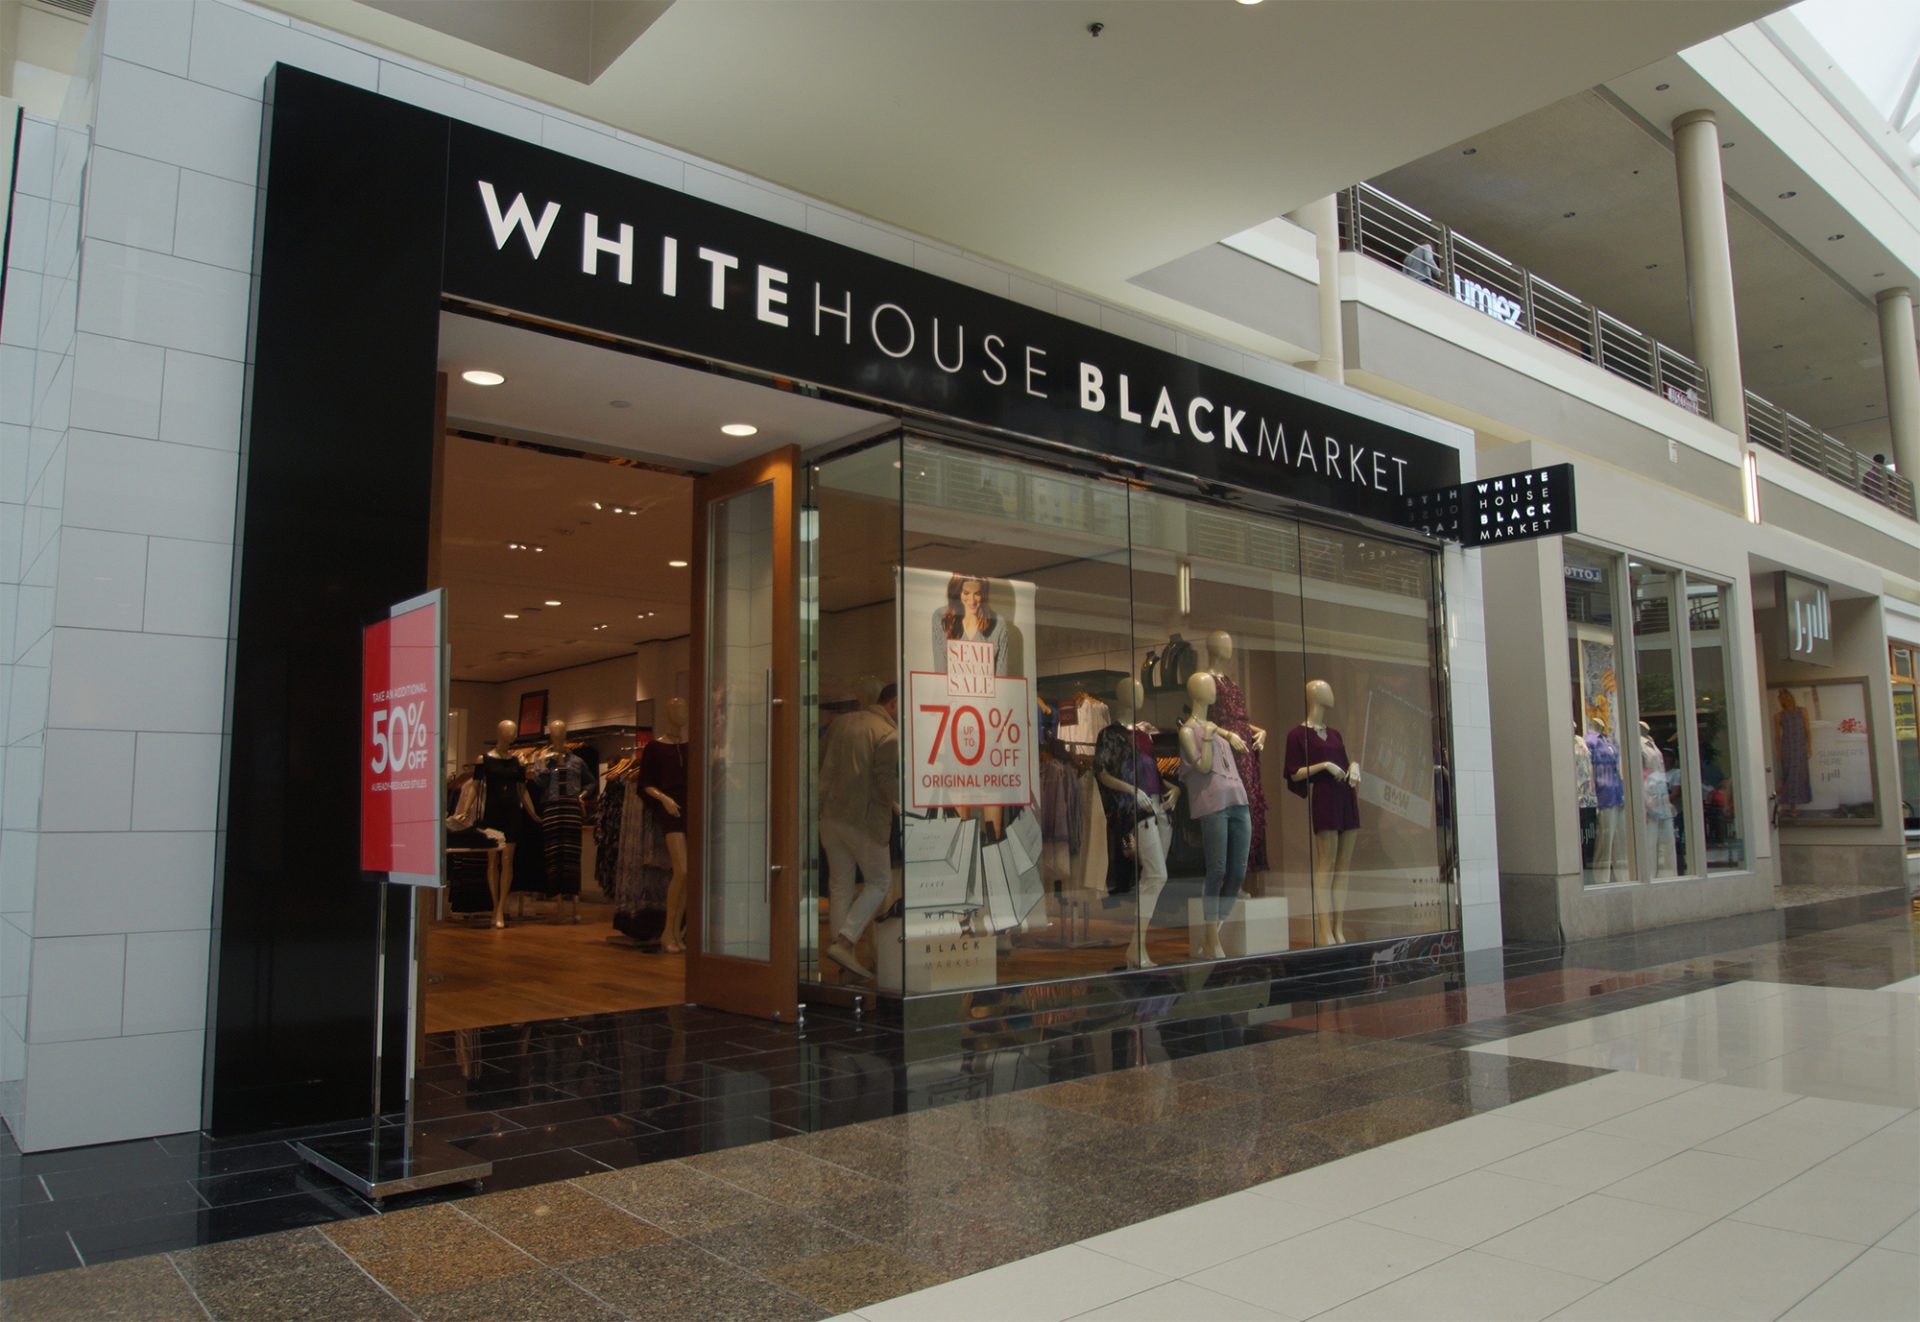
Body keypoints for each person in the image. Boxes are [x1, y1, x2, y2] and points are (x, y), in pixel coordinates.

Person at [819, 683, 901, 981]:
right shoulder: (887, 733)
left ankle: (846, 964)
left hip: (830, 816)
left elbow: (822, 763)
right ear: (894, 703)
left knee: (840, 886)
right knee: (880, 881)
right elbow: (885, 780)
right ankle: (845, 942)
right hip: (863, 819)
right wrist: (905, 803)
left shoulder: (841, 724)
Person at [931, 573, 1007, 676]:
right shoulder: (941, 618)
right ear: (957, 592)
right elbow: (940, 673)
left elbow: (1002, 680)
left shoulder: (999, 624)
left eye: (977, 593)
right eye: (966, 593)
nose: (972, 601)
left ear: (983, 594)